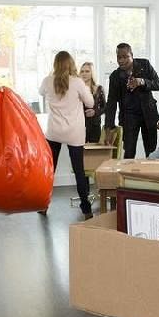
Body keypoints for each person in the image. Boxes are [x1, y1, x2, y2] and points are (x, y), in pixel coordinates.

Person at [39, 51, 95, 219]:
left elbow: (41, 92)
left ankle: (43, 205)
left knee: (50, 170)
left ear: (55, 64)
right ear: (71, 64)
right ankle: (86, 209)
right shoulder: (77, 82)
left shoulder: (47, 81)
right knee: (79, 171)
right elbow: (90, 103)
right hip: (74, 133)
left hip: (54, 132)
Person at [103, 43, 159, 158]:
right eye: (119, 57)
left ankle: (150, 170)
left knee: (151, 151)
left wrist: (142, 81)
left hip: (148, 114)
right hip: (128, 118)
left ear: (132, 55)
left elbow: (158, 84)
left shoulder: (144, 65)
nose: (121, 60)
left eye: (125, 57)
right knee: (129, 152)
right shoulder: (115, 76)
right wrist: (109, 128)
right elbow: (111, 103)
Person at [79, 62, 106, 143]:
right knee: (80, 150)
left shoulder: (99, 89)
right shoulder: (77, 89)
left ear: (92, 73)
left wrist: (95, 112)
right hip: (80, 126)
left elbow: (105, 107)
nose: (84, 74)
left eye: (87, 71)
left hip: (95, 126)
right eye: (82, 71)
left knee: (94, 150)